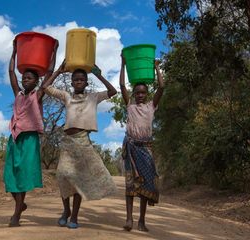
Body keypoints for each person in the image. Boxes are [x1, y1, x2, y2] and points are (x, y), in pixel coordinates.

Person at [42, 61, 118, 229]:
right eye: (75, 80)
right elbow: (45, 87)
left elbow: (113, 91)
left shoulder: (93, 97)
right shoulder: (66, 96)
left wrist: (98, 74)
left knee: (78, 180)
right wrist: (58, 71)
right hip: (68, 143)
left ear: (86, 82)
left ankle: (74, 216)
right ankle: (66, 211)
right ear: (71, 82)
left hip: (83, 141)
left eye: (81, 80)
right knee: (62, 175)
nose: (78, 82)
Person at [3, 37, 58, 227]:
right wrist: (14, 52)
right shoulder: (18, 94)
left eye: (30, 78)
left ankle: (16, 215)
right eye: (24, 77)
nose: (26, 80)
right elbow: (11, 71)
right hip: (15, 138)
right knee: (10, 176)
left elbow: (50, 72)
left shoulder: (38, 95)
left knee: (24, 176)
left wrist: (54, 52)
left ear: (36, 81)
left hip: (30, 139)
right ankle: (21, 204)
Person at [119, 54, 164, 232]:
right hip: (131, 149)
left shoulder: (151, 107)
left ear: (147, 95)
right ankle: (129, 219)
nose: (140, 95)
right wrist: (122, 64)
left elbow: (162, 86)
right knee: (130, 185)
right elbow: (122, 85)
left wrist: (156, 68)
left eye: (143, 92)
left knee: (146, 185)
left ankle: (142, 220)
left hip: (146, 149)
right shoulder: (129, 106)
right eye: (137, 92)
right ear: (133, 95)